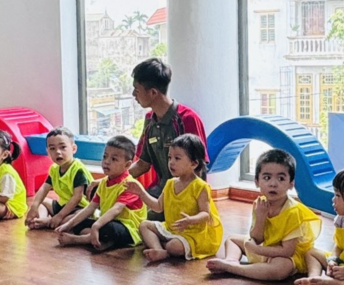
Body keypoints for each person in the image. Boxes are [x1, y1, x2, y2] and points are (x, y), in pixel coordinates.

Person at [206, 148, 319, 282]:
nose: (273, 184)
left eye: (281, 178)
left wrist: (257, 250)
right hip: (266, 248)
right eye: (267, 177)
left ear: (291, 184)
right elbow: (256, 238)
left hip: (286, 256)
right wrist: (260, 218)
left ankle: (235, 269)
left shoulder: (293, 212)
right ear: (257, 181)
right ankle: (231, 261)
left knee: (281, 268)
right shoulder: (259, 204)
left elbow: (287, 251)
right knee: (232, 239)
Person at [53, 135, 146, 250]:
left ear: (127, 165)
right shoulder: (103, 183)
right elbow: (91, 207)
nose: (106, 162)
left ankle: (80, 239)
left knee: (108, 229)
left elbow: (116, 209)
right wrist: (68, 225)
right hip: (106, 222)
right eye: (105, 156)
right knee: (79, 222)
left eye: (114, 159)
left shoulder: (130, 185)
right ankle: (101, 241)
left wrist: (96, 226)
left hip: (129, 229)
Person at [142, 133, 224, 262]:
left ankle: (166, 248)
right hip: (172, 229)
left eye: (177, 158)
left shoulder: (200, 186)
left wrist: (191, 220)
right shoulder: (170, 183)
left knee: (174, 246)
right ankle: (159, 250)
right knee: (144, 226)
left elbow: (206, 214)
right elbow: (158, 207)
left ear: (194, 163)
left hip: (194, 234)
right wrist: (140, 192)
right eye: (170, 157)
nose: (171, 162)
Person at [126, 58, 205, 190]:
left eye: (137, 89)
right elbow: (142, 164)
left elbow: (199, 168)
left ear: (153, 93)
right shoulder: (149, 120)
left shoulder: (187, 119)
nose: (133, 94)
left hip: (184, 194)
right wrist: (109, 181)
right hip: (160, 190)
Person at [26, 128, 91, 229]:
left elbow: (77, 198)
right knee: (42, 201)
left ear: (73, 149)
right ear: (48, 151)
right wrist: (34, 207)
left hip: (80, 208)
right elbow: (44, 188)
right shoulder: (54, 169)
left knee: (77, 218)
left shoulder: (78, 170)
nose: (57, 152)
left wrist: (60, 216)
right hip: (62, 205)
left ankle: (49, 222)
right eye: (52, 148)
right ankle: (39, 220)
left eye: (63, 147)